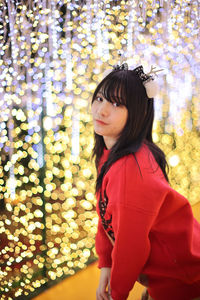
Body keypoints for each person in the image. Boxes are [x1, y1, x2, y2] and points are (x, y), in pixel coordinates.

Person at [91, 63, 200, 300]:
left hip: (184, 276)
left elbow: (132, 245)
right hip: (167, 272)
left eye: (117, 104)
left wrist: (118, 294)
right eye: (100, 98)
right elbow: (105, 213)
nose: (101, 110)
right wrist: (107, 263)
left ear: (137, 113)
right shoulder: (110, 152)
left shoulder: (131, 169)